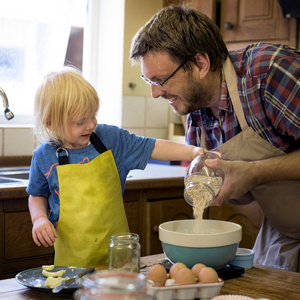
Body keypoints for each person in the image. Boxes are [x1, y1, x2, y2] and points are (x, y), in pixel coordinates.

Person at [129, 5, 300, 272]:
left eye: (161, 80)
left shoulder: (268, 73)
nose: (154, 93)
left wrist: (255, 172)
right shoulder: (196, 116)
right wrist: (228, 186)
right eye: (148, 80)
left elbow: (256, 174)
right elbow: (246, 195)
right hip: (284, 236)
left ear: (200, 64)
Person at [27, 66, 202, 267]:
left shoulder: (110, 139)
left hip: (118, 258)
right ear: (50, 123)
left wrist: (192, 152)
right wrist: (39, 219)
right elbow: (37, 194)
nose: (91, 124)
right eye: (80, 121)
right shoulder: (43, 156)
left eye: (93, 115)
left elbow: (151, 147)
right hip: (72, 264)